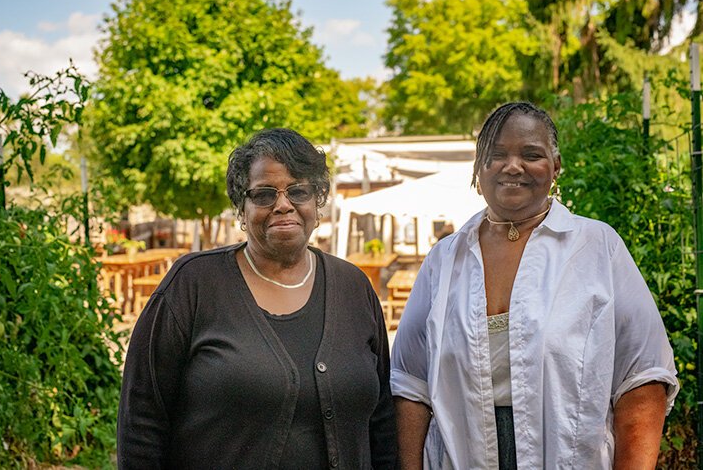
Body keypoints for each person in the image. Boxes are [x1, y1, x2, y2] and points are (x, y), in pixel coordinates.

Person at [391, 102, 679, 469]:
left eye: (531, 154)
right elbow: (411, 384)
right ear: (479, 168)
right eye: (496, 155)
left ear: (555, 166)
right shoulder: (445, 259)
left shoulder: (597, 247)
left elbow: (642, 378)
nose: (513, 166)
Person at [117, 128, 396, 469]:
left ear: (317, 202)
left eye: (298, 191)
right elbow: (142, 420)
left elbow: (383, 420)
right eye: (264, 194)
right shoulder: (193, 285)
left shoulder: (354, 287)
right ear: (241, 207)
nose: (283, 204)